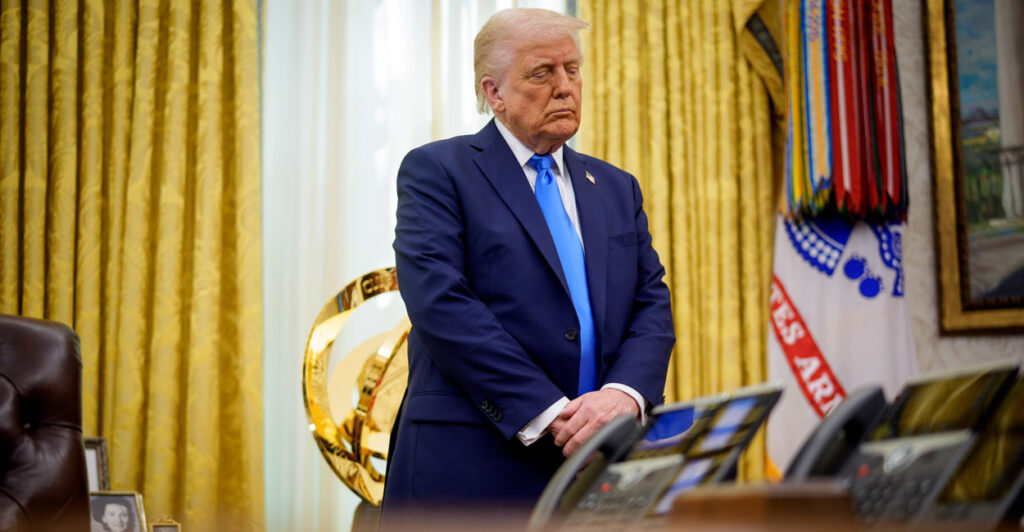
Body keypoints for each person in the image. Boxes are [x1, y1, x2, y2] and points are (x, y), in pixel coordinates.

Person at [384, 7, 675, 514]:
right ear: (493, 92)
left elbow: (651, 302)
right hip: (471, 468)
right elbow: (441, 305)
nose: (565, 87)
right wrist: (551, 413)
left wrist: (624, 395)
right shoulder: (438, 171)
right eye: (542, 73)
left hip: (598, 467)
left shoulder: (615, 186)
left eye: (572, 69)